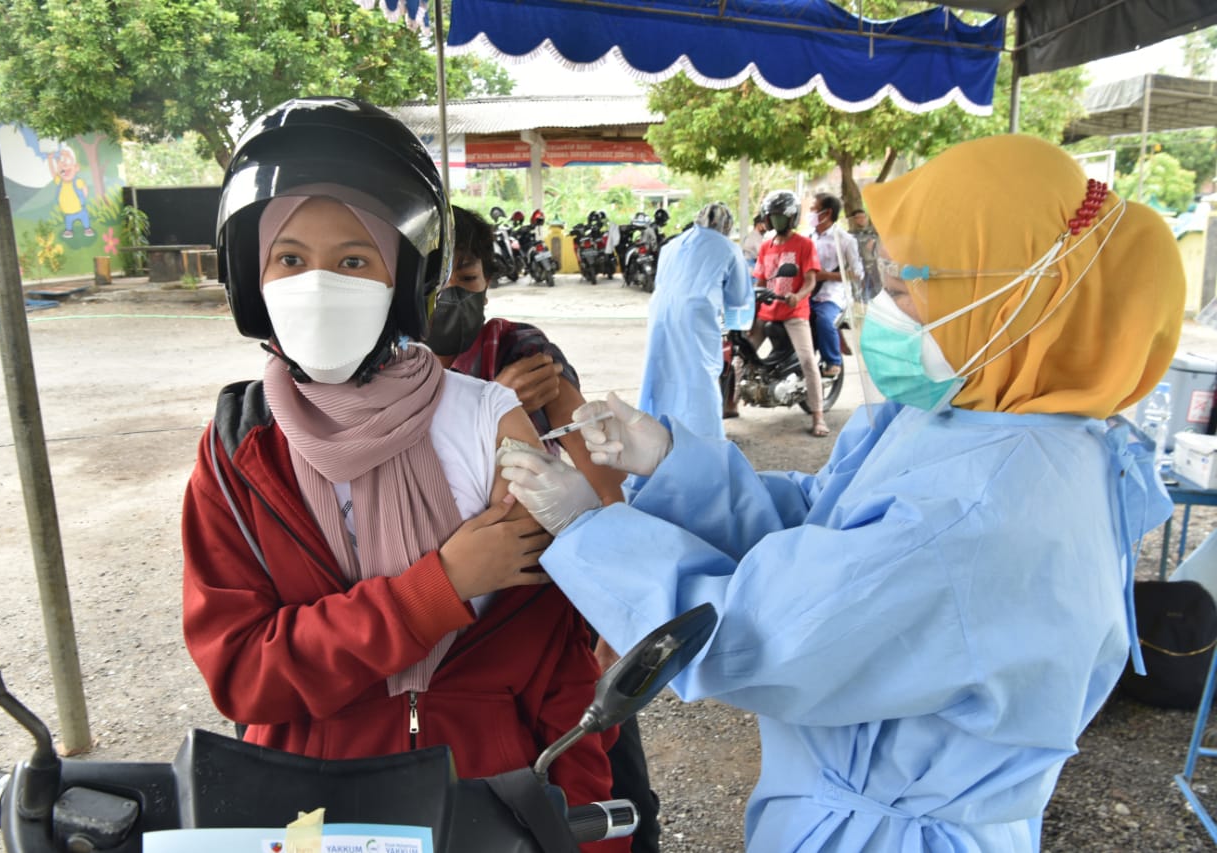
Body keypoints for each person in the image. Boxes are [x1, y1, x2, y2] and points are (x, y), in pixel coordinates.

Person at [498, 134, 1185, 851]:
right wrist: (670, 463)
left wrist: (591, 530)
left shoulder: (979, 509)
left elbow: (764, 631)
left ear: (1008, 298)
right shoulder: (992, 415)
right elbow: (822, 518)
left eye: (907, 290)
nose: (882, 308)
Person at [179, 97, 626, 852]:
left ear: (404, 273)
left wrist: (581, 824)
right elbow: (244, 672)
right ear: (251, 276)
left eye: (355, 259)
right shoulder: (239, 452)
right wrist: (436, 588)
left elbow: (557, 663)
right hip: (309, 813)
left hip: (487, 802)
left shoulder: (489, 419)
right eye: (290, 258)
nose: (318, 283)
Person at [428, 205, 659, 853]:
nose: (452, 293)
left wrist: (619, 603)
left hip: (549, 590)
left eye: (467, 275)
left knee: (614, 792)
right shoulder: (384, 367)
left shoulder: (520, 348)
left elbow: (595, 463)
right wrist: (489, 405)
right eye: (435, 276)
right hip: (451, 612)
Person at [637, 201, 751, 441]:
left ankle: (660, 435)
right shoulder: (728, 247)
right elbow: (739, 297)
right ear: (726, 227)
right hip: (696, 314)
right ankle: (706, 442)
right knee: (700, 377)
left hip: (661, 312)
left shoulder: (672, 244)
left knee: (662, 371)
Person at [751, 190, 827, 437]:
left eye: (780, 217)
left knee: (807, 360)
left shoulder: (804, 244)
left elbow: (810, 281)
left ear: (791, 218)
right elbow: (760, 281)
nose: (776, 222)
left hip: (795, 312)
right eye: (772, 217)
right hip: (767, 312)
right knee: (743, 355)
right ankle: (730, 404)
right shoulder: (765, 247)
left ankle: (818, 416)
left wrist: (798, 296)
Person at [807, 192, 863, 381]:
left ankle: (833, 361)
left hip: (832, 295)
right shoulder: (807, 238)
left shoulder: (845, 240)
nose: (810, 213)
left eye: (813, 209)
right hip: (806, 293)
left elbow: (857, 274)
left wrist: (827, 275)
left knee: (824, 320)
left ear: (827, 213)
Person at [848, 206, 881, 300]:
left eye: (864, 217)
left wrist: (874, 241)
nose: (862, 219)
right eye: (859, 217)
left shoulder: (874, 233)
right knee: (862, 295)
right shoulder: (850, 235)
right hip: (860, 269)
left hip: (875, 268)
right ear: (854, 219)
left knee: (878, 293)